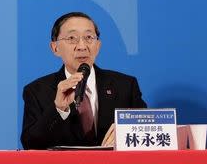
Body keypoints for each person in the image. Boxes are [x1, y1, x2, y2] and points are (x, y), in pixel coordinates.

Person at [21, 12, 146, 149]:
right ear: (55, 48)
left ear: (98, 46)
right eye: (72, 38)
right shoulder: (37, 91)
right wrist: (58, 109)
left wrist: (127, 130)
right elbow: (30, 145)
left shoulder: (125, 86)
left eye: (88, 37)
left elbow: (147, 131)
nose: (82, 46)